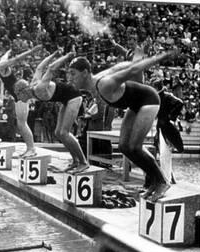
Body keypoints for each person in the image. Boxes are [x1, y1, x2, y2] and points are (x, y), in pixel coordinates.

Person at [66, 48, 178, 201]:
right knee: (124, 146)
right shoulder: (97, 81)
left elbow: (133, 69)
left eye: (73, 73)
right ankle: (153, 181)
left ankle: (162, 181)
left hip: (149, 100)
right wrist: (135, 59)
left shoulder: (104, 84)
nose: (69, 78)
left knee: (135, 146)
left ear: (85, 73)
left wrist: (163, 55)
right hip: (134, 104)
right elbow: (121, 67)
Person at [13, 50, 89, 173]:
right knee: (58, 133)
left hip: (74, 97)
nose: (19, 99)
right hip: (65, 100)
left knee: (64, 132)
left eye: (18, 95)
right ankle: (75, 161)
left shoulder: (39, 88)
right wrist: (53, 54)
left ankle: (83, 162)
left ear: (23, 91)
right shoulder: (33, 85)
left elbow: (51, 68)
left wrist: (67, 56)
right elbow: (40, 67)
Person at [0, 44, 43, 157]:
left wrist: (30, 51)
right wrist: (10, 51)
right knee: (21, 124)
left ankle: (31, 148)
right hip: (18, 95)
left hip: (21, 95)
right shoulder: (2, 63)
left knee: (22, 124)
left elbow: (15, 58)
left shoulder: (1, 64)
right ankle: (30, 148)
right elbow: (10, 57)